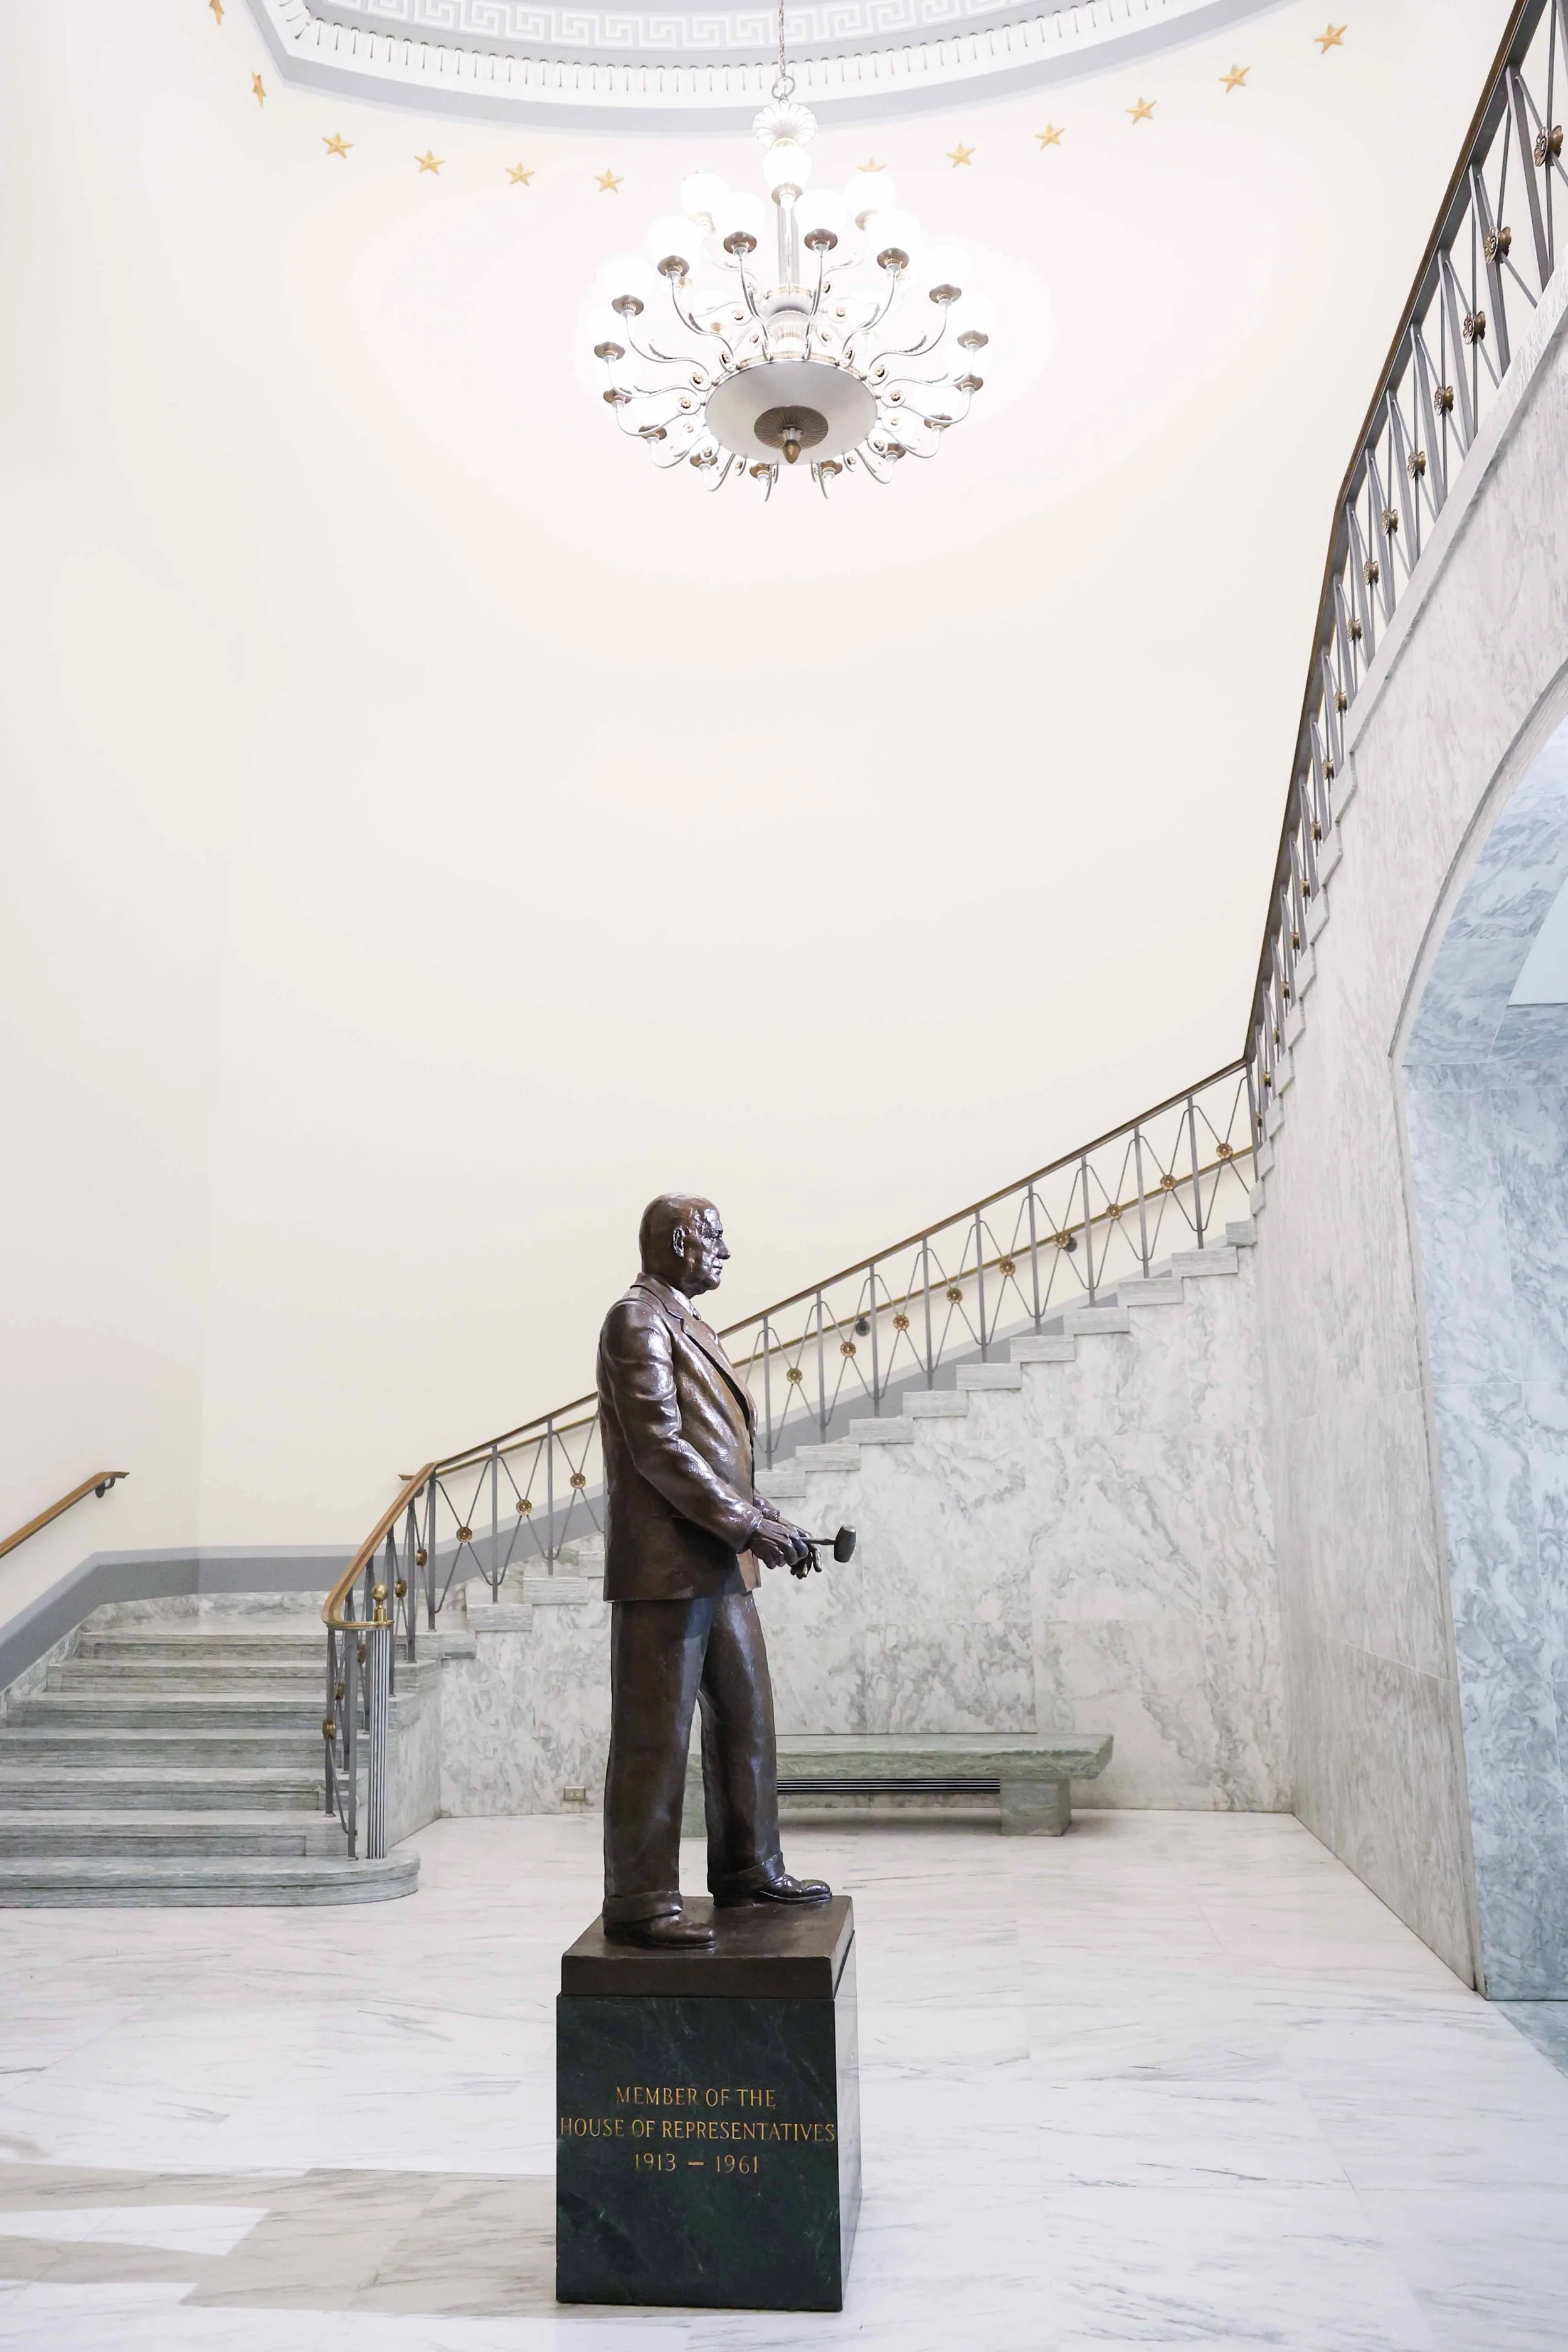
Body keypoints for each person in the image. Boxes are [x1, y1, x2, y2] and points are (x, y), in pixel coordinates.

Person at [595, 1193, 831, 1948]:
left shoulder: (688, 1324)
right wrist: (748, 1524)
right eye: (713, 1237)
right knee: (653, 1736)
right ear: (675, 1241)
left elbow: (712, 1447)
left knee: (746, 1717)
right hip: (665, 1566)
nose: (725, 1250)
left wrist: (766, 1518)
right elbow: (660, 1448)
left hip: (717, 1561)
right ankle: (641, 1899)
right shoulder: (636, 1320)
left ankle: (748, 1868)